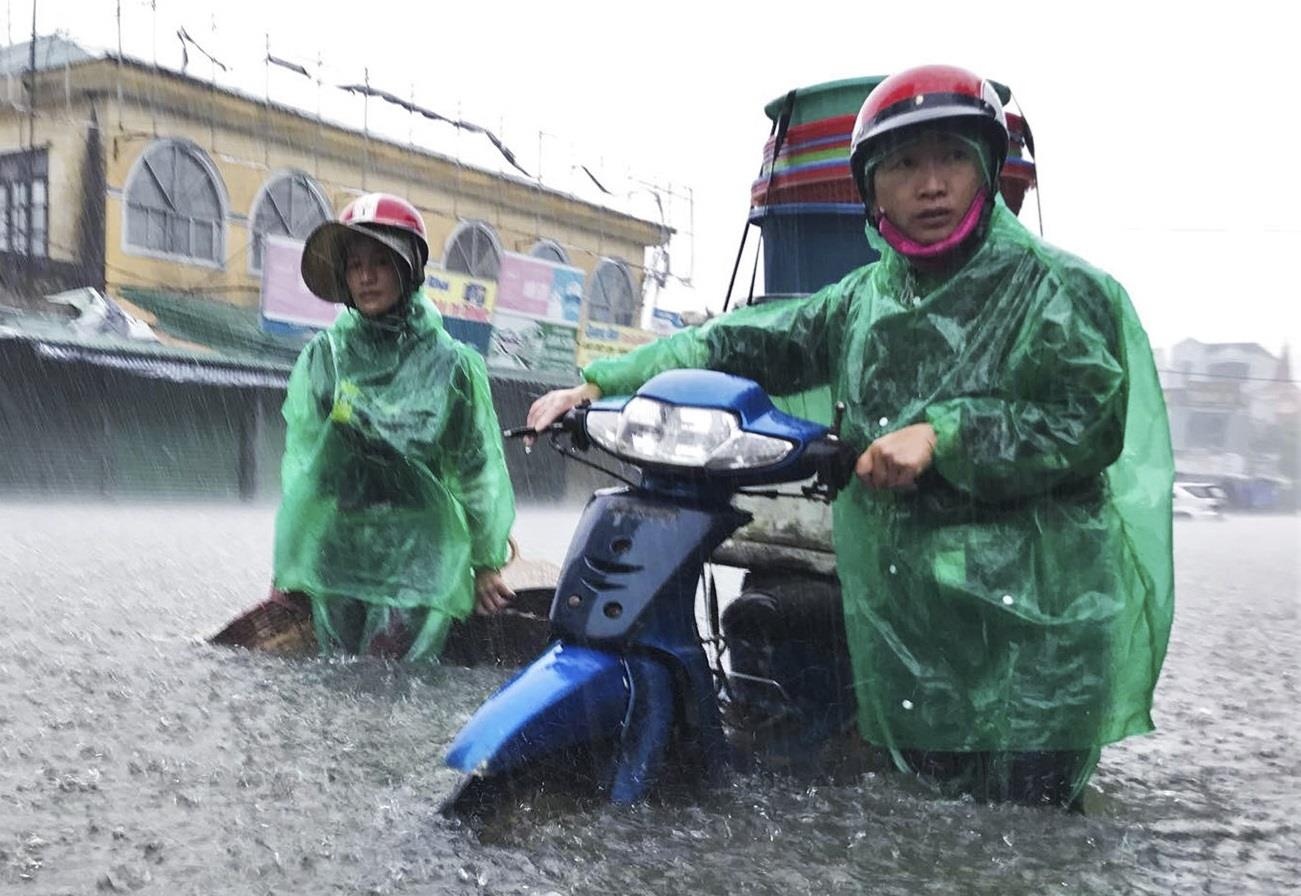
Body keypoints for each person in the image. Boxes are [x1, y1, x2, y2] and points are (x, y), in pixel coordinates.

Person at [528, 65, 1174, 807]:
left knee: (1026, 834)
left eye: (952, 157)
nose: (931, 185)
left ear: (988, 170)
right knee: (929, 826)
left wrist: (946, 436)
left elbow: (1084, 423)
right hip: (914, 618)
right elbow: (743, 340)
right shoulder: (859, 301)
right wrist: (604, 380)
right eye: (903, 164)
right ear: (870, 188)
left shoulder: (1059, 289)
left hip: (1036, 631)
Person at [274, 192, 516, 661]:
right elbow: (303, 466)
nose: (365, 277)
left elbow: (476, 468)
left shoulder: (453, 365)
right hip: (339, 546)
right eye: (355, 265)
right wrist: (291, 559)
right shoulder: (323, 359)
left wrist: (487, 566)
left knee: (389, 681)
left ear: (408, 269)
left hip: (419, 551)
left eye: (380, 262)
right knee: (336, 685)